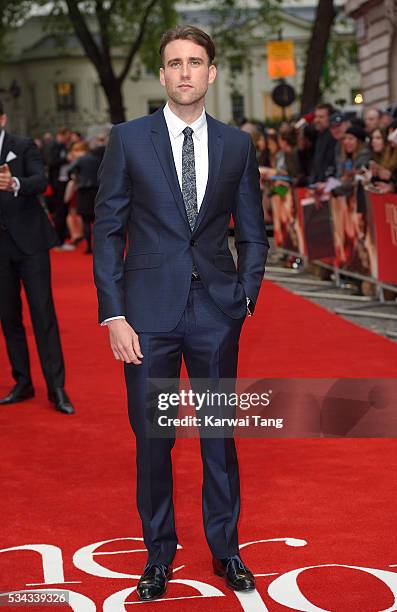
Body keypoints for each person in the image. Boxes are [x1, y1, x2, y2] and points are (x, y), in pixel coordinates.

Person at [93, 24, 268, 602]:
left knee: (219, 438)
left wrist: (244, 295)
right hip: (146, 316)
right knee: (153, 441)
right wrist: (114, 315)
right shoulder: (127, 138)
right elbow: (107, 229)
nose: (186, 71)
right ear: (162, 74)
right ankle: (158, 554)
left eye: (196, 61)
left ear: (211, 74)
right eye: (175, 62)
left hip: (216, 312)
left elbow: (254, 233)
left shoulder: (238, 145)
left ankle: (226, 550)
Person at [0, 101, 75, 414]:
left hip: (30, 244)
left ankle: (56, 387)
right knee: (9, 318)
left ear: (2, 118)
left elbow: (41, 182)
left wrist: (14, 183)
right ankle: (23, 381)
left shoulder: (23, 145)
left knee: (43, 315)